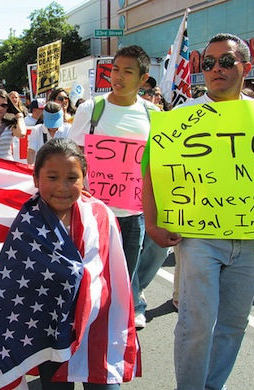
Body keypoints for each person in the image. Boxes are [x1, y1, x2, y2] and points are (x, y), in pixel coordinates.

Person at [142, 33, 254, 390]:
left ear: (246, 67)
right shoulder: (181, 116)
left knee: (234, 323)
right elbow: (150, 170)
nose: (216, 69)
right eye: (209, 63)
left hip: (249, 239)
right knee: (197, 322)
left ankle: (213, 385)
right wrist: (152, 222)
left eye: (226, 61)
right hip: (199, 237)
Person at [0, 138, 137, 390]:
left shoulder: (101, 215)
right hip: (48, 329)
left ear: (84, 179)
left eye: (72, 178)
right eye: (52, 177)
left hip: (97, 327)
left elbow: (116, 274)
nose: (62, 187)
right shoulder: (27, 223)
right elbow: (15, 283)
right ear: (36, 179)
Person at [69, 45, 159, 329]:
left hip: (133, 213)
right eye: (115, 69)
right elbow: (72, 155)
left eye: (127, 71)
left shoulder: (154, 115)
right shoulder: (91, 109)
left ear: (143, 79)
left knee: (124, 272)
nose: (118, 77)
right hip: (93, 211)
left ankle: (120, 323)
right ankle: (86, 322)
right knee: (87, 272)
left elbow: (158, 162)